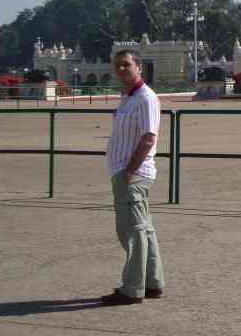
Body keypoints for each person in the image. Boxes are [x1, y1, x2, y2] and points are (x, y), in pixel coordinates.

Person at [100, 49, 165, 306]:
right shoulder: (128, 98)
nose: (120, 70)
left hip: (133, 175)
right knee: (144, 230)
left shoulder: (145, 99)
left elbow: (149, 137)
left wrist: (129, 172)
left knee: (132, 231)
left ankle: (132, 288)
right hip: (126, 172)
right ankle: (152, 282)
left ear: (139, 67)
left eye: (126, 65)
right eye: (117, 66)